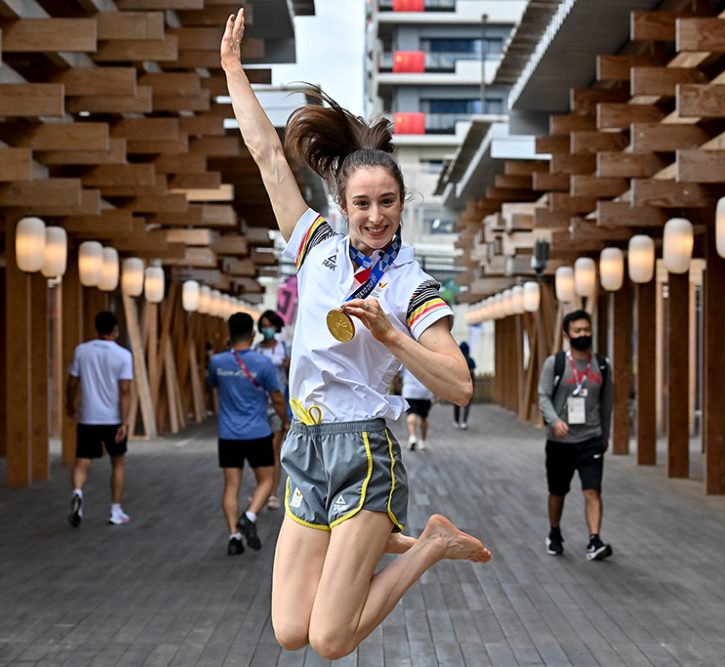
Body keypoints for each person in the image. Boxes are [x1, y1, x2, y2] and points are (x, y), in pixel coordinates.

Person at [222, 10, 491, 660]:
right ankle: (375, 536)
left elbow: (458, 383)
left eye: (387, 203)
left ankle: (427, 542)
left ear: (402, 205)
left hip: (365, 450)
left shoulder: (409, 282)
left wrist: (393, 338)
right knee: (290, 630)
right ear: (341, 204)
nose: (375, 215)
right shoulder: (315, 244)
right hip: (304, 449)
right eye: (363, 203)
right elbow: (265, 154)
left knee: (332, 637)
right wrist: (233, 69)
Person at [208, 312, 289, 556]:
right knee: (265, 480)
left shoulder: (217, 362)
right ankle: (250, 515)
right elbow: (276, 397)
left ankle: (234, 537)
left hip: (228, 433)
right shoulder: (262, 363)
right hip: (258, 431)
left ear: (229, 334)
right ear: (253, 334)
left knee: (231, 486)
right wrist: (285, 420)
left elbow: (212, 387)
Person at [537, 309, 614, 561]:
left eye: (587, 329)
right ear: (567, 334)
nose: (583, 334)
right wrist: (554, 421)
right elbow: (543, 396)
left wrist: (605, 433)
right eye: (578, 330)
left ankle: (594, 540)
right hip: (560, 440)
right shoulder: (555, 363)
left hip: (591, 439)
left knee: (593, 490)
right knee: (557, 492)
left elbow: (607, 402)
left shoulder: (602, 364)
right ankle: (555, 532)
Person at [65, 311, 134, 527]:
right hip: (112, 419)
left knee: (82, 462)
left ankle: (78, 492)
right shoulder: (123, 355)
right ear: (115, 330)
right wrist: (124, 422)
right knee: (118, 462)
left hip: (88, 417)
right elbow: (124, 391)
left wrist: (70, 402)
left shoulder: (82, 351)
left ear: (96, 328)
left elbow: (72, 381)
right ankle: (115, 510)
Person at [255, 309, 292, 509]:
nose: (267, 329)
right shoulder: (255, 349)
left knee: (273, 449)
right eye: (264, 325)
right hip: (259, 403)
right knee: (261, 451)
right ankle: (264, 487)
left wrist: (289, 365)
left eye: (270, 325)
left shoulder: (285, 348)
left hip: (278, 402)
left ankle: (271, 493)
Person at [400, 366, 433, 451]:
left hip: (410, 391)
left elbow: (397, 371)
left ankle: (412, 437)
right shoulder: (428, 358)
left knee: (411, 414)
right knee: (424, 417)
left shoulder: (406, 356)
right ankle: (423, 441)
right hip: (425, 392)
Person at [453, 341, 476, 429]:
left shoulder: (457, 360)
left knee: (457, 404)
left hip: (457, 386)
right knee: (467, 404)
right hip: (468, 385)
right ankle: (464, 422)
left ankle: (456, 421)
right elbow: (473, 374)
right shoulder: (471, 361)